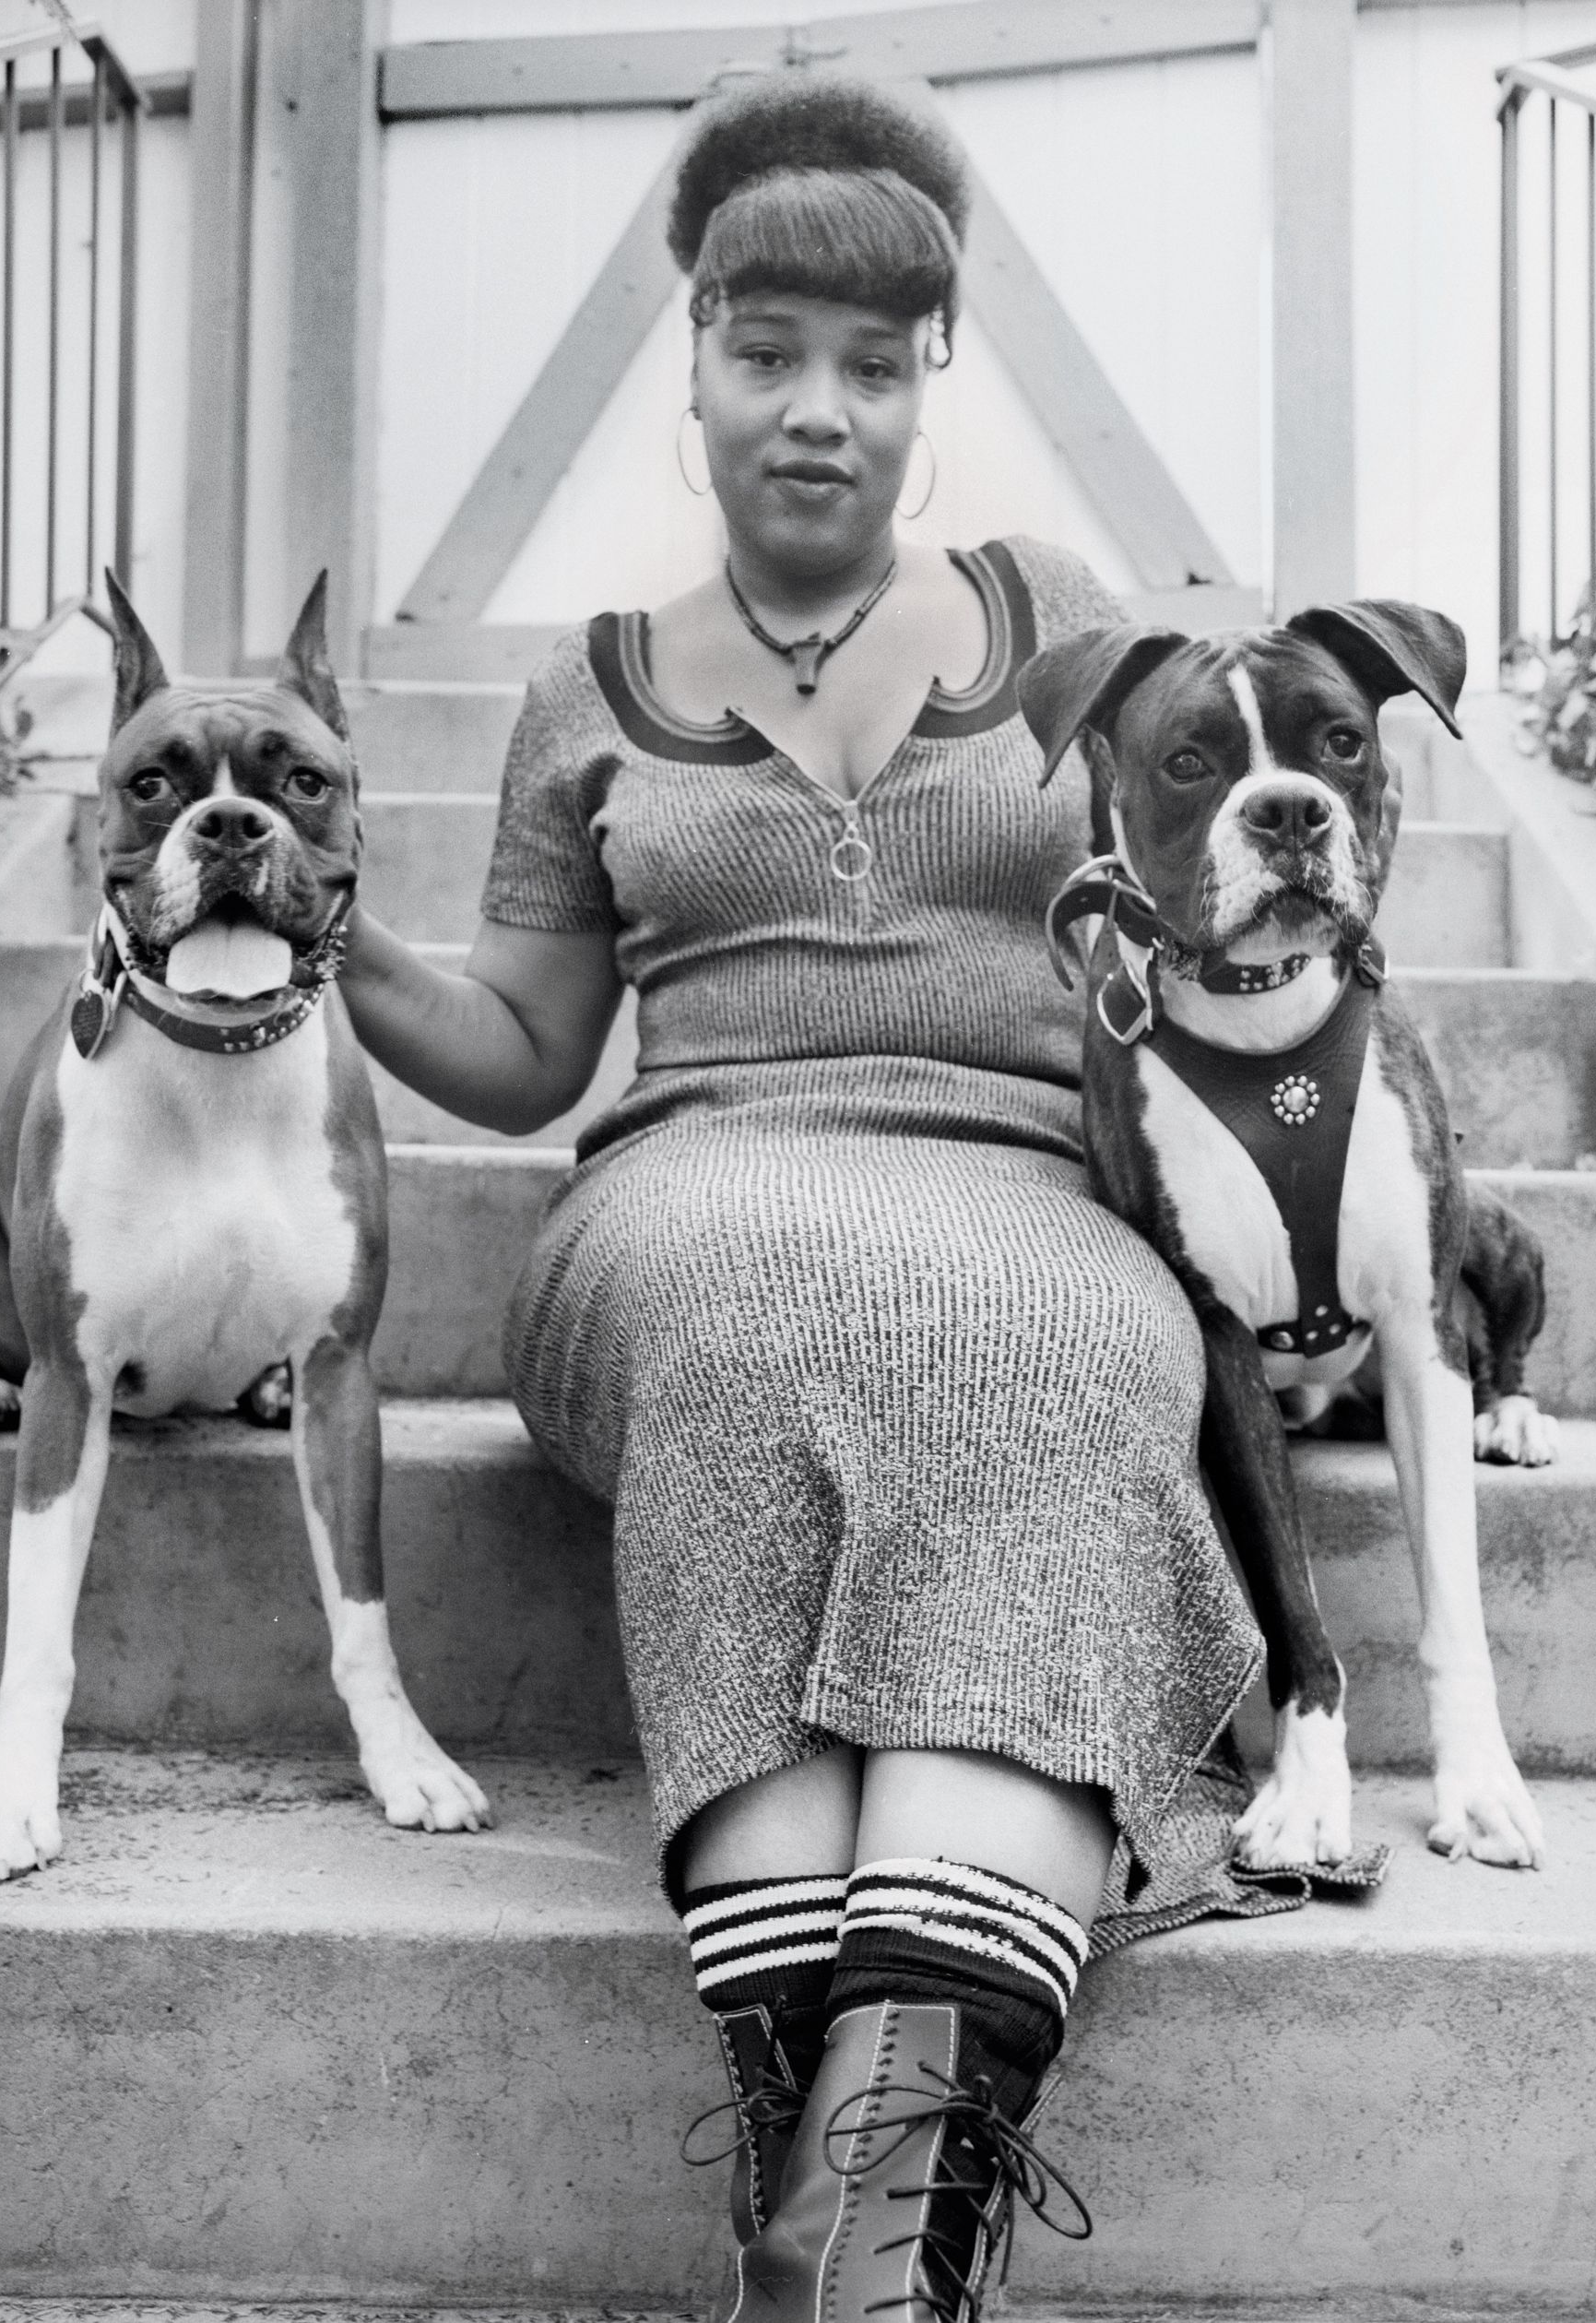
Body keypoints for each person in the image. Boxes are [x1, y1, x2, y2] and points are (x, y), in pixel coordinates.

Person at [340, 75, 1269, 2323]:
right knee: (773, 1321)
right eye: (769, 354)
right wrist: (330, 937)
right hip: (688, 1192)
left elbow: (1213, 864)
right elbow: (535, 1055)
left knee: (1034, 1333)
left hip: (1028, 1168)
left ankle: (843, 2234)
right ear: (694, 362)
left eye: (876, 362)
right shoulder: (589, 686)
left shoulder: (1063, 620)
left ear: (931, 377)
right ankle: (884, 2195)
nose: (819, 412)